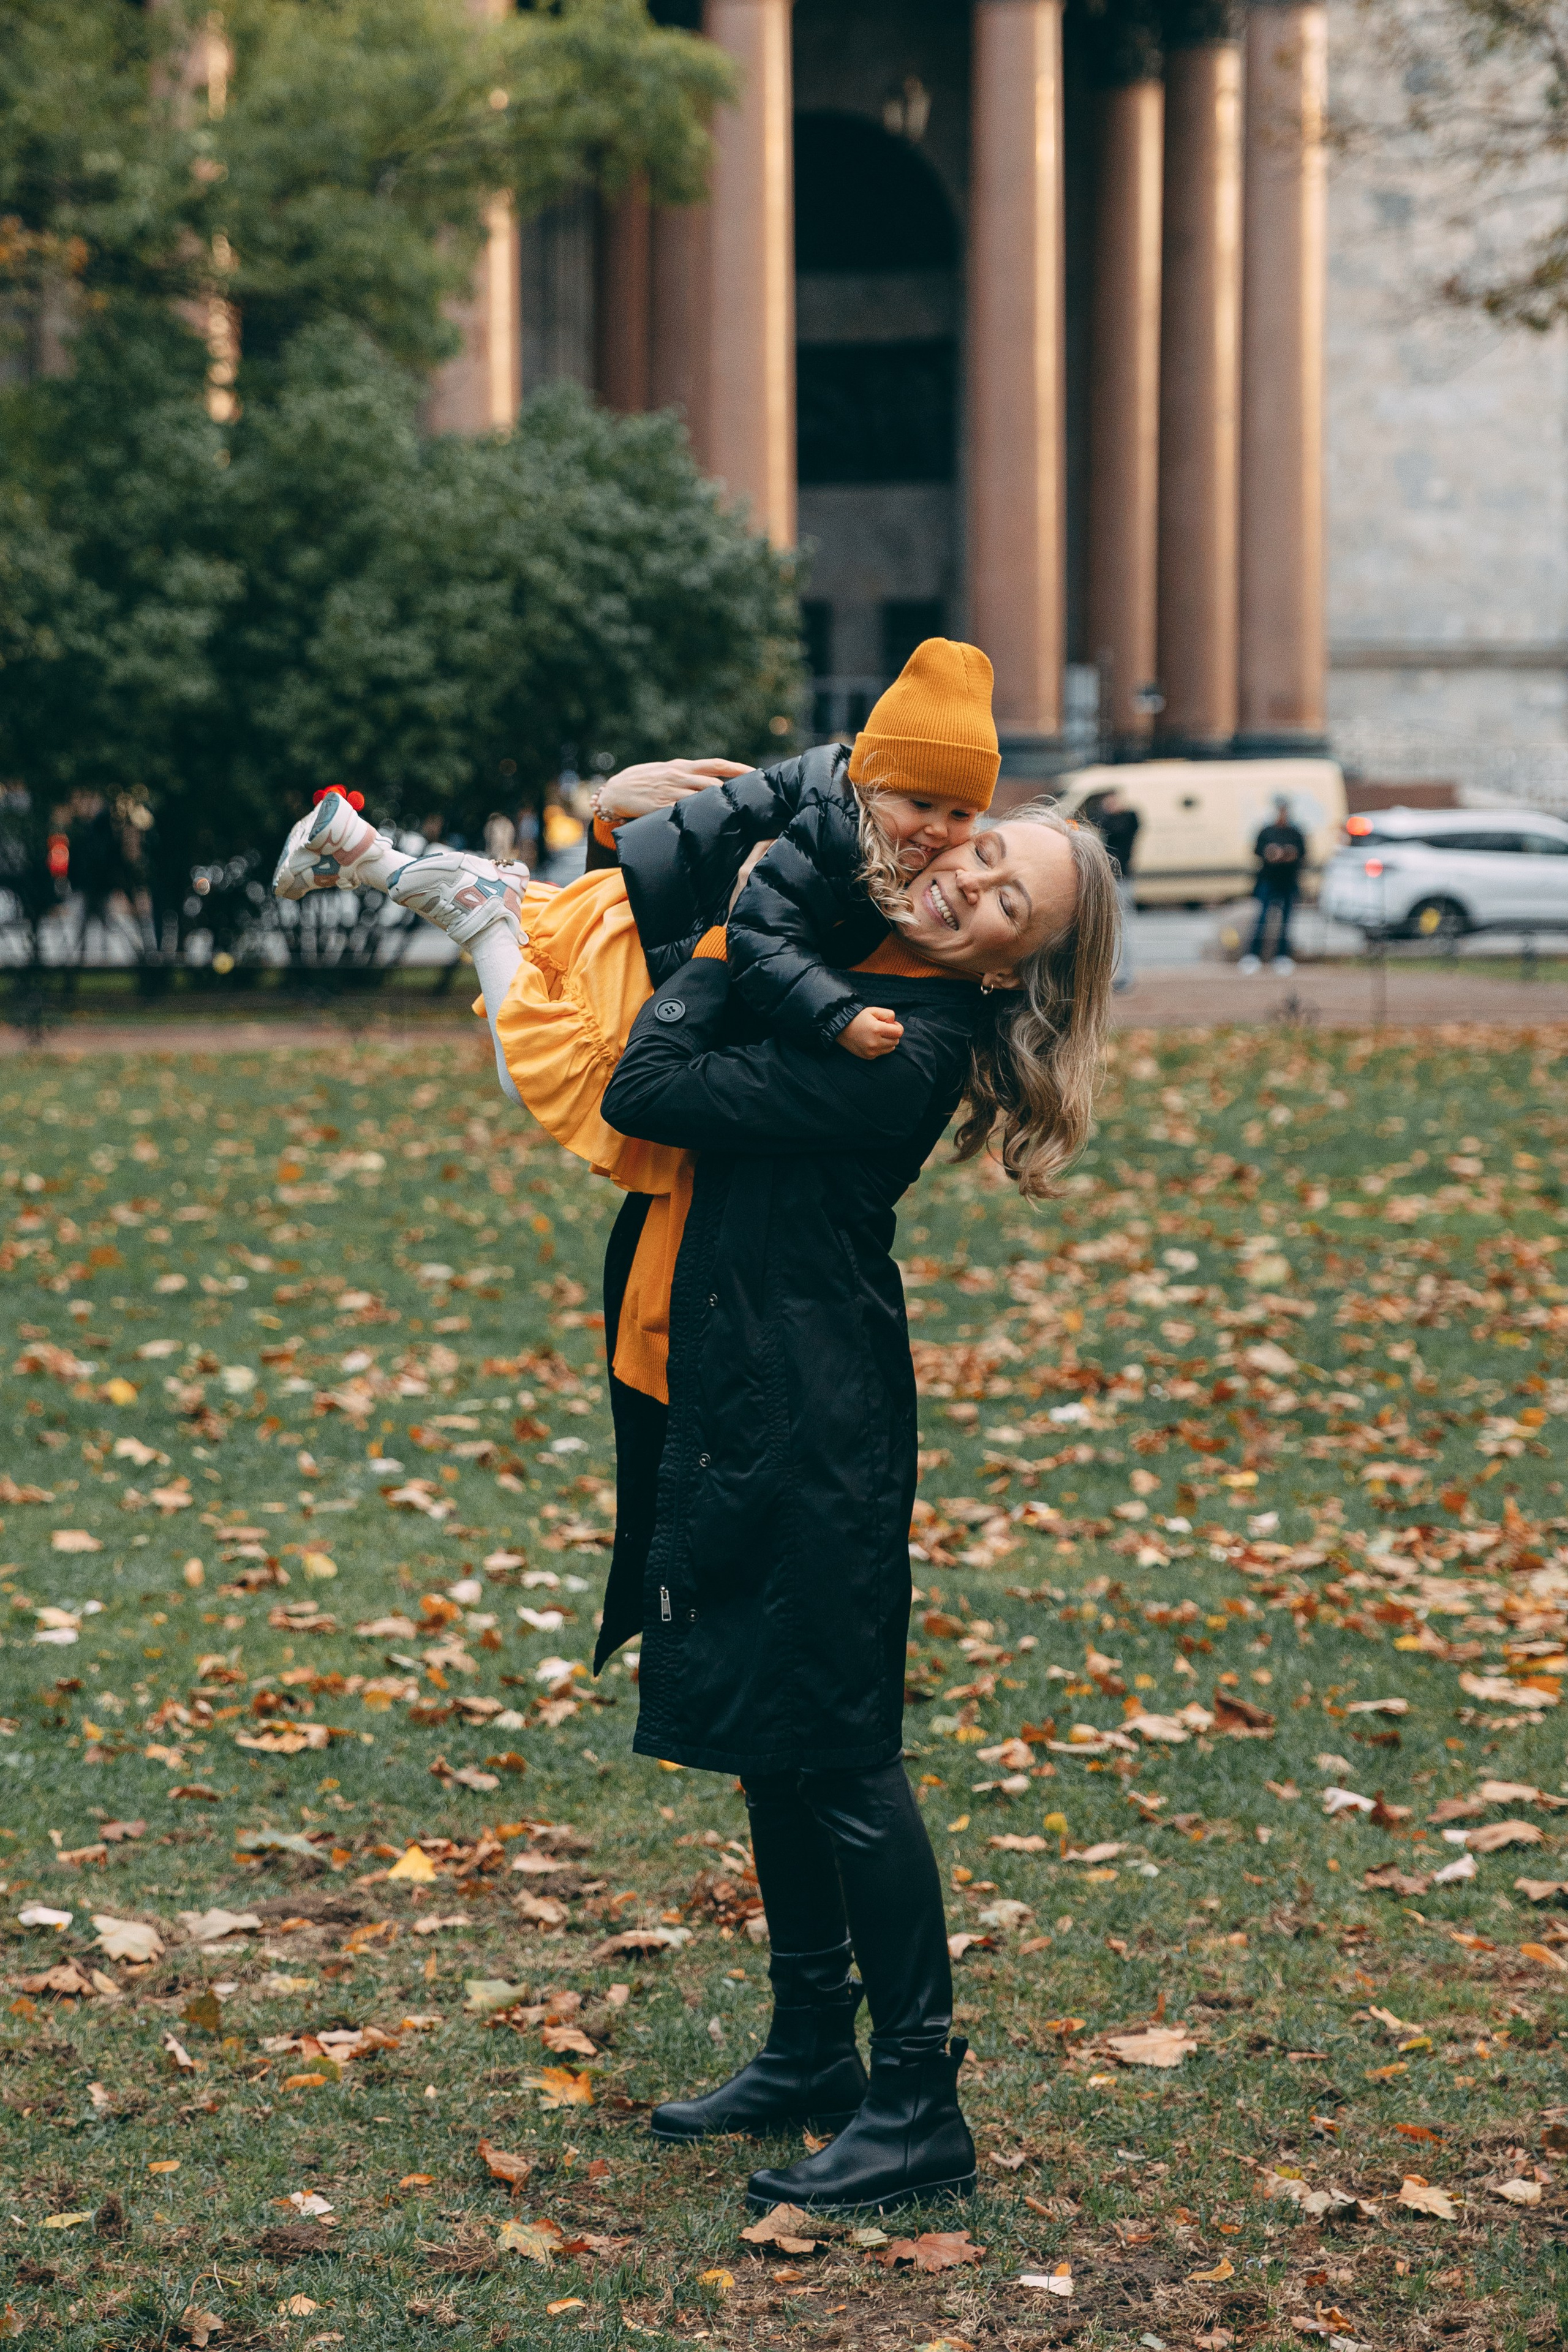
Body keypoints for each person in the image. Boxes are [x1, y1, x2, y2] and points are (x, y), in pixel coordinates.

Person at [272, 710, 1120, 2216]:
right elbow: (675, 883)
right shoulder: (852, 948)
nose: (966, 880)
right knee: (773, 1736)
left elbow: (649, 1086)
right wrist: (624, 813)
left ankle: (916, 2100)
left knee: (840, 1751)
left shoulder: (907, 1043)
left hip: (814, 1407)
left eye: (1007, 903)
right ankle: (807, 2047)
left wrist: (734, 947)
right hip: (738, 1375)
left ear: (1012, 968)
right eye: (983, 850)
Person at [1240, 794, 1307, 973]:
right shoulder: (1267, 831)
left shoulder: (1295, 833)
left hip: (1288, 882)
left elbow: (1303, 854)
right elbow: (1257, 851)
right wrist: (1270, 853)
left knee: (1286, 921)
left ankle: (1282, 956)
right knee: (1262, 919)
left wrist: (1291, 854)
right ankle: (1253, 955)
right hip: (1268, 880)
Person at [1087, 787, 1139, 993]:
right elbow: (1096, 820)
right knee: (1114, 929)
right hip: (1113, 879)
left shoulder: (1129, 818)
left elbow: (1112, 827)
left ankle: (1125, 975)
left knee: (1122, 929)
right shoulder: (1113, 819)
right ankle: (1118, 975)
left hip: (1122, 880)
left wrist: (1108, 812)